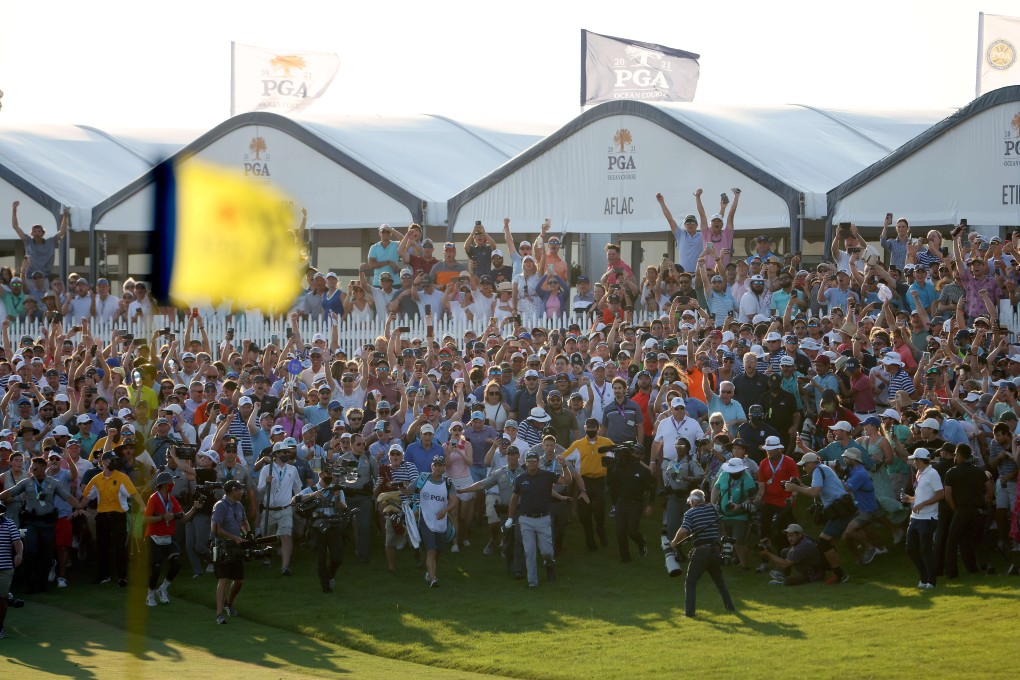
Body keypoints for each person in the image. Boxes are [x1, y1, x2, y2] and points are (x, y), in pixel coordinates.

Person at [0, 455, 81, 593]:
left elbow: (67, 496)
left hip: (47, 523)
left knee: (46, 553)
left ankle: (43, 584)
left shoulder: (53, 483)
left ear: (44, 467)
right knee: (30, 551)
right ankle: (30, 583)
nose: (33, 469)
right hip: (32, 522)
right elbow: (9, 493)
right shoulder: (26, 483)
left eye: (36, 467)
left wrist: (79, 507)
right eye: (32, 466)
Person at [507, 450, 573, 588]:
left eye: (534, 461)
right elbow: (514, 499)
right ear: (525, 463)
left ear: (538, 462)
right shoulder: (520, 479)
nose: (531, 463)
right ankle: (532, 582)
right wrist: (510, 518)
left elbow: (567, 481)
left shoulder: (547, 476)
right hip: (525, 519)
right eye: (529, 461)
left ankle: (549, 564)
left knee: (547, 552)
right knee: (529, 551)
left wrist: (565, 466)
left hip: (543, 519)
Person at [784, 452, 851, 585]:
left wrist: (796, 488)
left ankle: (840, 575)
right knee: (828, 542)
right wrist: (801, 485)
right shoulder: (822, 469)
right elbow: (817, 492)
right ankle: (835, 572)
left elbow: (814, 493)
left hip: (840, 511)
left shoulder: (817, 471)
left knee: (824, 542)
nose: (804, 469)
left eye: (805, 465)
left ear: (811, 463)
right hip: (840, 509)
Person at [669, 489, 736, 618]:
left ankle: (689, 614)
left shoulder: (690, 513)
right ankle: (730, 608)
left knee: (691, 582)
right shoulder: (713, 509)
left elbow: (684, 530)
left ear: (693, 501)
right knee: (720, 583)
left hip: (701, 552)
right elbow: (720, 527)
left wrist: (673, 543)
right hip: (715, 551)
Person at [81, 451, 144, 586]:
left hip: (118, 516)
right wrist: (78, 507)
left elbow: (133, 493)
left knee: (120, 547)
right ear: (103, 462)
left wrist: (143, 506)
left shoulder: (122, 477)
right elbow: (87, 496)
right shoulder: (97, 479)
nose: (114, 462)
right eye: (111, 460)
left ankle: (122, 576)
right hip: (102, 517)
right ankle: (104, 575)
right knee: (102, 547)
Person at [142, 471, 199, 607]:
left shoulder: (172, 499)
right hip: (154, 538)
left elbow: (184, 518)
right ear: (164, 485)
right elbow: (145, 519)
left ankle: (163, 589)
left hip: (168, 538)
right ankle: (150, 594)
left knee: (176, 564)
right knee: (156, 569)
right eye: (170, 483)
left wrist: (194, 508)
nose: (172, 484)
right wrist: (162, 517)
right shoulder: (154, 499)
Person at [943, 444, 993, 579]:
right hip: (978, 510)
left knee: (953, 541)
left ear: (959, 455)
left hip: (962, 510)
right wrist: (986, 502)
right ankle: (981, 567)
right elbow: (989, 489)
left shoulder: (951, 472)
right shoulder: (978, 471)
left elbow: (948, 496)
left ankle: (952, 573)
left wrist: (956, 510)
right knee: (976, 540)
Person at [295, 468, 348, 594]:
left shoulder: (337, 490)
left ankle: (330, 575)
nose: (330, 476)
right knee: (321, 557)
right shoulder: (311, 490)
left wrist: (338, 498)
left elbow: (344, 507)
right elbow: (294, 500)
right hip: (316, 527)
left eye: (332, 474)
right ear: (320, 474)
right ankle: (326, 588)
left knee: (337, 558)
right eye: (327, 474)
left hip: (333, 526)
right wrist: (312, 495)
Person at [564, 419, 612, 551]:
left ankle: (600, 529)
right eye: (588, 427)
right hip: (582, 483)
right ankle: (590, 540)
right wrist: (571, 472)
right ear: (585, 428)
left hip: (600, 482)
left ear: (598, 428)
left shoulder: (606, 442)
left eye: (593, 427)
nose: (591, 429)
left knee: (599, 511)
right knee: (584, 515)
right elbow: (563, 458)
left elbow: (615, 456)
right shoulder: (578, 444)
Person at [256, 443, 303, 575]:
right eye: (283, 453)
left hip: (285, 509)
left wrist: (298, 502)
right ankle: (266, 558)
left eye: (287, 452)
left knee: (286, 536)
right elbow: (260, 491)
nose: (286, 455)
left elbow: (298, 488)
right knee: (266, 537)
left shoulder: (292, 469)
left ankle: (285, 566)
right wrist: (266, 483)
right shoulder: (267, 469)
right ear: (276, 454)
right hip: (268, 509)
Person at [902, 448, 945, 589]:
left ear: (920, 460)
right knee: (911, 549)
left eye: (915, 459)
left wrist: (922, 504)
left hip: (928, 517)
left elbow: (940, 494)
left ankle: (931, 581)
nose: (913, 462)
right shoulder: (920, 473)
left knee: (926, 550)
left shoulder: (932, 473)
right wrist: (911, 499)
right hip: (915, 517)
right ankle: (924, 577)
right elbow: (923, 495)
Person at [607, 443, 655, 562]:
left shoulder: (644, 471)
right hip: (622, 502)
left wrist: (650, 504)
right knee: (619, 531)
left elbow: (652, 488)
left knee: (632, 530)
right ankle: (625, 558)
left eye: (638, 453)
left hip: (636, 503)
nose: (635, 455)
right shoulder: (622, 466)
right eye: (633, 452)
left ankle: (641, 542)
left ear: (642, 456)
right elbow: (612, 479)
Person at [211, 479, 250, 624]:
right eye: (239, 489)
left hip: (236, 548)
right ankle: (219, 614)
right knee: (223, 580)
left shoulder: (239, 505)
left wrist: (247, 533)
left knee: (239, 580)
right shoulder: (220, 506)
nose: (242, 492)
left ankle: (229, 603)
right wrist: (234, 537)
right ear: (233, 490)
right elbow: (215, 528)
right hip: (222, 547)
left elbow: (244, 522)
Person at [415, 456, 458, 588]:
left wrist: (445, 510)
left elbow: (454, 501)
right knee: (431, 551)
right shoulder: (422, 479)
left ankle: (430, 571)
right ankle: (433, 579)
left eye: (441, 465)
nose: (438, 468)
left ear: (444, 467)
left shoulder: (448, 483)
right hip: (426, 519)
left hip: (441, 521)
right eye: (436, 465)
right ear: (431, 466)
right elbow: (411, 490)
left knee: (439, 550)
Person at [758, 523, 827, 586]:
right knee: (785, 551)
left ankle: (782, 582)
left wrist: (767, 553)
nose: (789, 539)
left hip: (813, 575)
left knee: (788, 582)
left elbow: (785, 564)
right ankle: (784, 576)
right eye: (788, 536)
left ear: (799, 534)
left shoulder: (803, 546)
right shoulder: (804, 537)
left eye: (792, 536)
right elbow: (792, 550)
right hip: (807, 564)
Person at [0, 500, 24, 640]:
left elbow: (17, 541)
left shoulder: (8, 523)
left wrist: (19, 554)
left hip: (5, 568)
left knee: (0, 598)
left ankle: (0, 626)